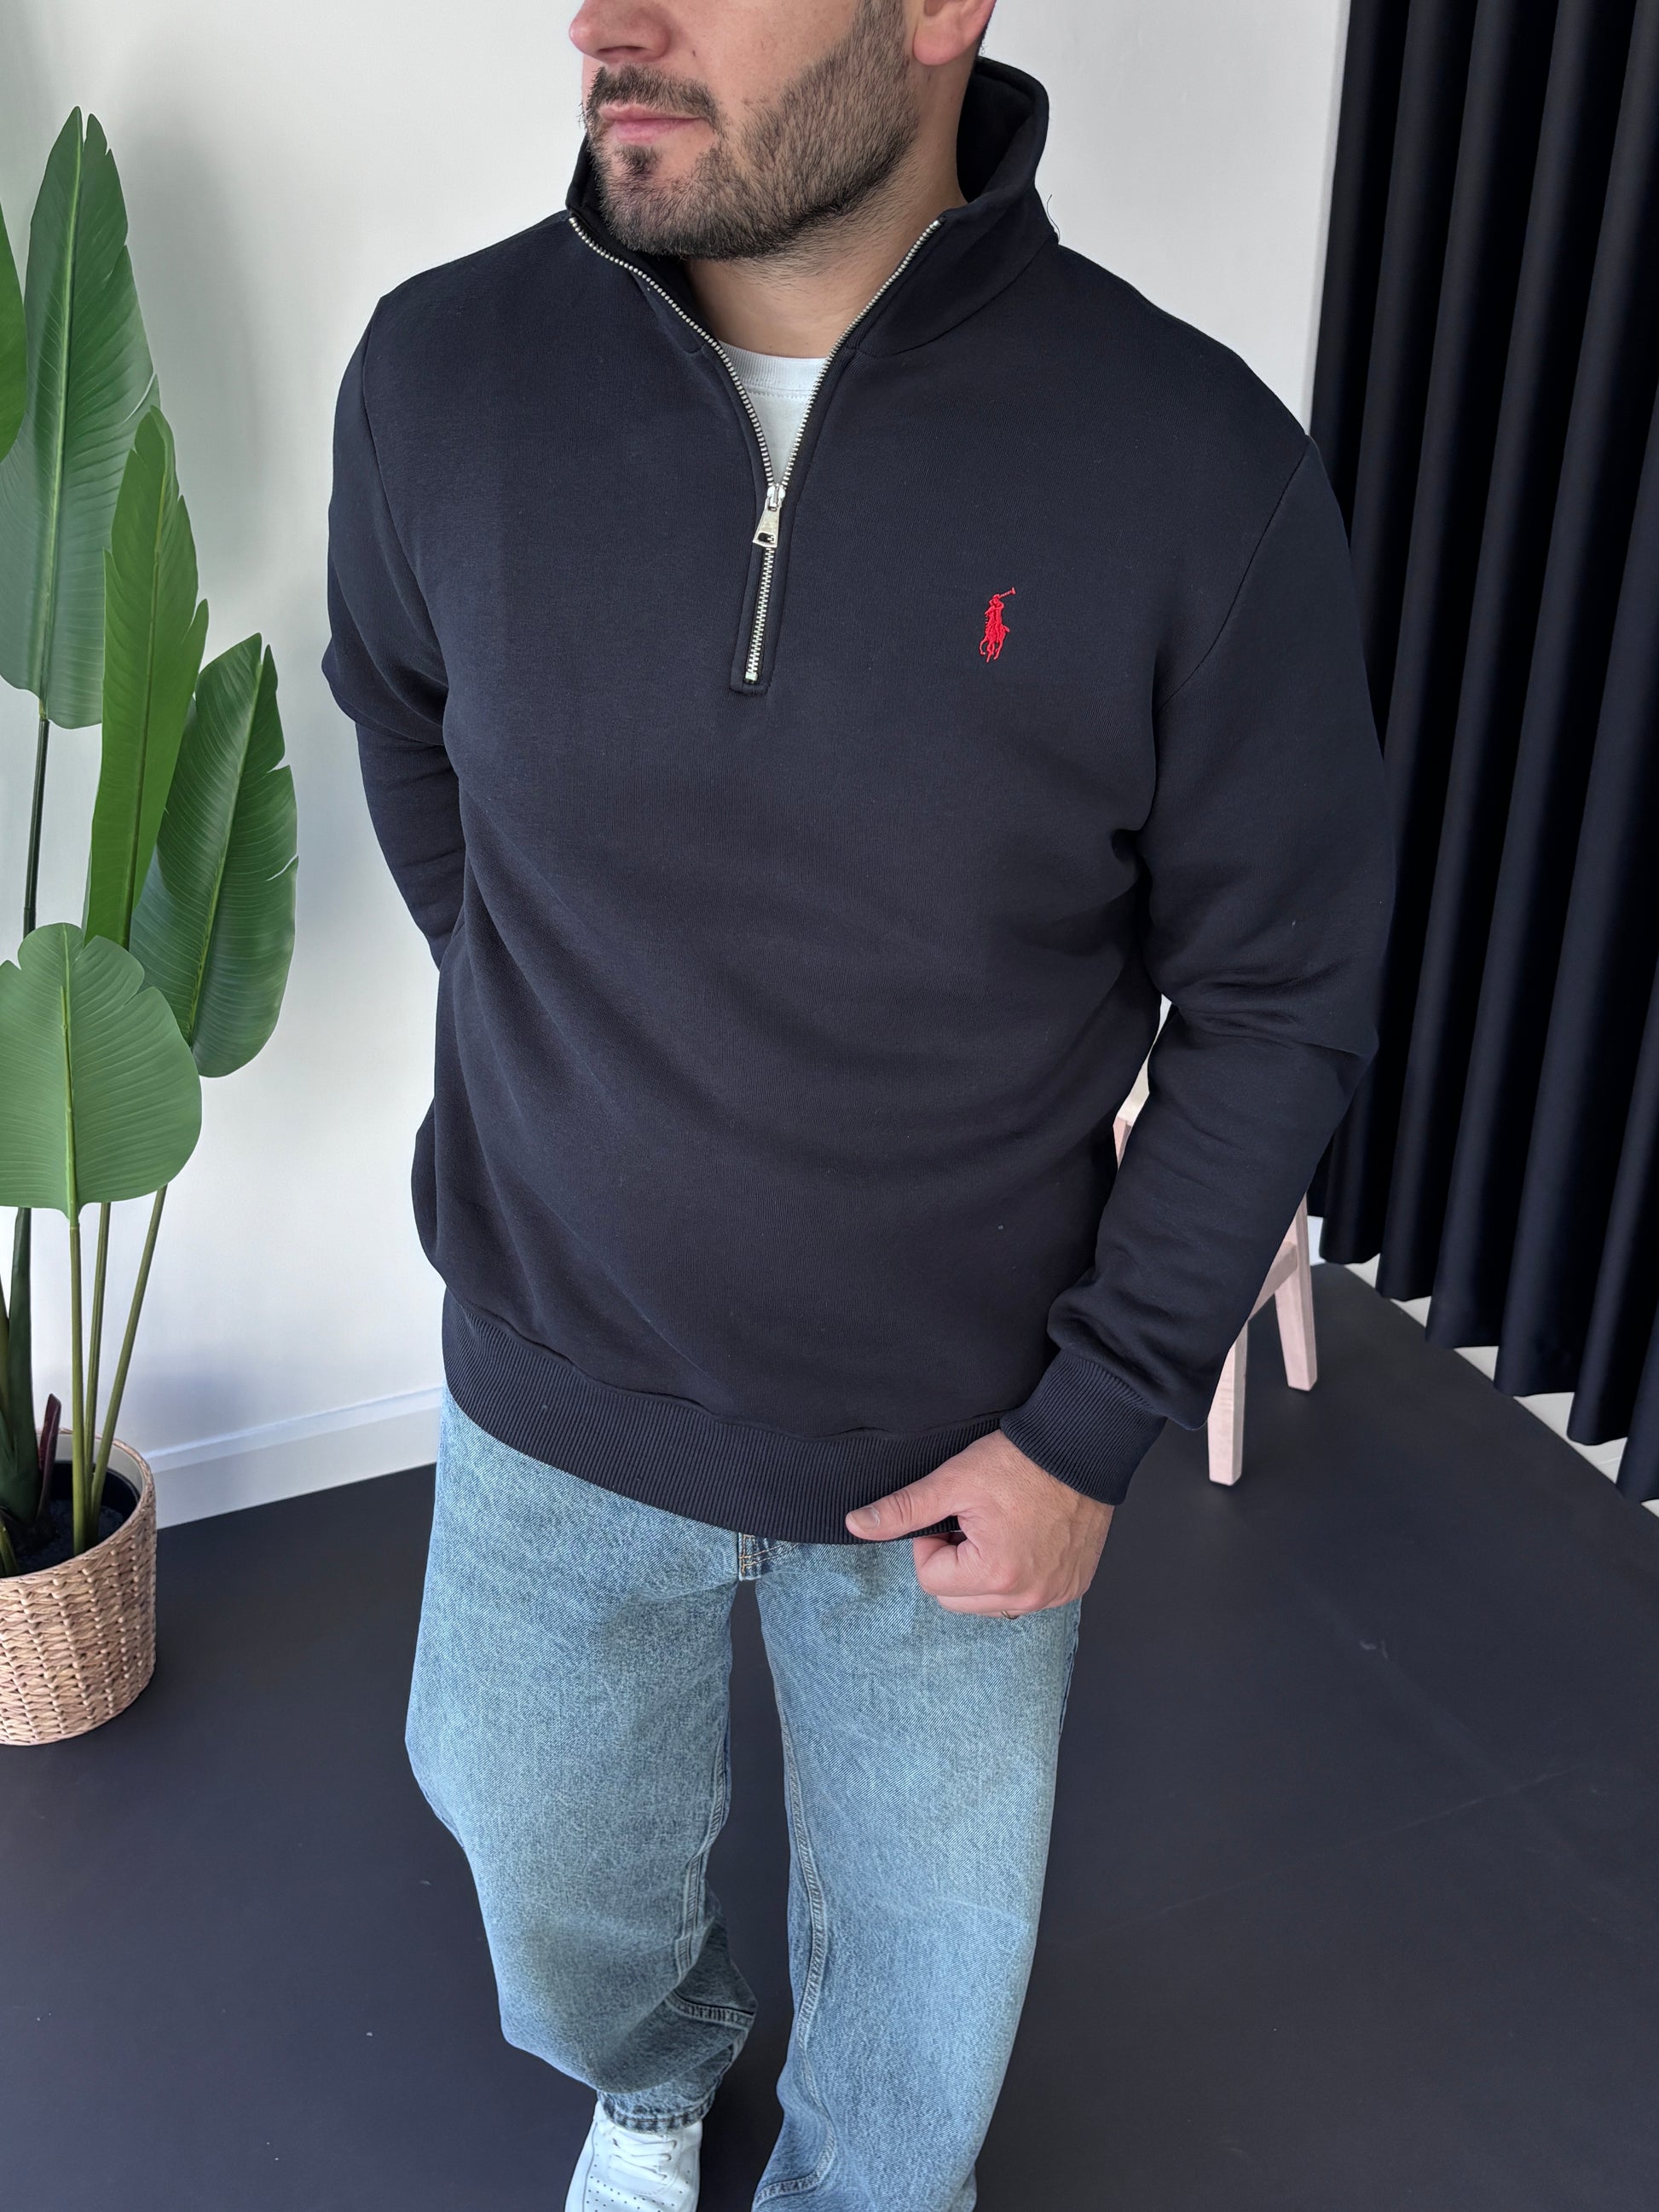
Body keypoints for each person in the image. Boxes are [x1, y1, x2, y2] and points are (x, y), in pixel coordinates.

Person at [322, 3, 1394, 2205]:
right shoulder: (440, 376)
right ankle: (653, 2081)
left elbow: (1278, 993)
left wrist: (1093, 1423)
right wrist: (557, 1024)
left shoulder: (1193, 471)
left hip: (959, 1437)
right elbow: (406, 729)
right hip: (549, 1371)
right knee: (535, 1859)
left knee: (926, 2014)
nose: (609, 20)